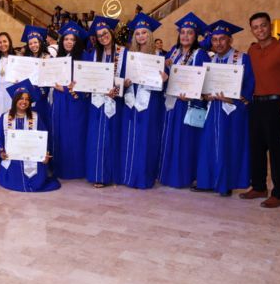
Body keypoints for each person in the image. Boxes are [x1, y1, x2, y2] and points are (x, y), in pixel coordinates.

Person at [240, 12, 280, 208]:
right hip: (256, 104)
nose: (260, 30)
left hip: (276, 104)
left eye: (263, 25)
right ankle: (259, 187)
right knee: (256, 147)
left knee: (276, 149)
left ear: (270, 26)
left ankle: (279, 194)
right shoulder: (252, 50)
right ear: (252, 30)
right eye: (255, 27)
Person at [192, 21, 255, 196]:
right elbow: (203, 87)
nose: (218, 43)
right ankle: (207, 181)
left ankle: (226, 183)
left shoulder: (242, 58)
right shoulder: (210, 61)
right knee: (209, 145)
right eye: (215, 39)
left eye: (222, 39)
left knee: (229, 146)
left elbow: (249, 85)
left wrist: (232, 98)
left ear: (230, 40)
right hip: (213, 109)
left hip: (232, 111)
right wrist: (205, 95)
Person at [158, 12, 211, 189]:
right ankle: (167, 175)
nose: (185, 36)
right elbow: (166, 75)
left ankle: (183, 177)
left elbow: (204, 81)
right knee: (170, 137)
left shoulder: (200, 54)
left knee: (185, 141)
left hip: (188, 104)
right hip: (171, 103)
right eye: (182, 32)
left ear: (196, 36)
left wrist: (192, 93)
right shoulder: (173, 52)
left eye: (190, 33)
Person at [120, 13, 167, 189]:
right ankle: (128, 176)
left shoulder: (159, 57)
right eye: (137, 33)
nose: (141, 36)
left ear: (150, 34)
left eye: (144, 32)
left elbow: (164, 84)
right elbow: (122, 77)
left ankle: (144, 178)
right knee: (130, 136)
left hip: (150, 102)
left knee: (146, 138)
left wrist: (165, 79)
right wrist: (124, 83)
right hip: (131, 100)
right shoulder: (129, 55)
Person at [0, 79, 60, 192]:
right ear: (15, 100)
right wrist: (1, 152)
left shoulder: (36, 117)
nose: (24, 102)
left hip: (32, 157)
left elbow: (43, 139)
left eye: (27, 99)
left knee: (37, 181)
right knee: (15, 171)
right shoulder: (4, 117)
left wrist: (44, 154)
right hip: (13, 157)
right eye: (21, 98)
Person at [84, 16, 127, 187]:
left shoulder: (124, 53)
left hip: (116, 103)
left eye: (105, 33)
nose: (103, 37)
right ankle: (98, 175)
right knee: (97, 138)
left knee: (113, 137)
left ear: (111, 32)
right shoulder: (93, 55)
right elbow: (87, 78)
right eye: (99, 35)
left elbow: (128, 77)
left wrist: (122, 85)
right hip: (97, 103)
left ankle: (114, 175)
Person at [51, 21, 89, 180]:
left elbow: (87, 84)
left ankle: (76, 170)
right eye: (66, 39)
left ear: (77, 42)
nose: (68, 42)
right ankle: (60, 169)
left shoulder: (84, 57)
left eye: (72, 39)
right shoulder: (59, 58)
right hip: (60, 100)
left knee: (75, 134)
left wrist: (65, 89)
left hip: (76, 103)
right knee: (60, 134)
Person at [0, 32, 15, 119]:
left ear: (9, 42)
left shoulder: (17, 57)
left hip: (12, 92)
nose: (2, 44)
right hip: (0, 93)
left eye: (5, 41)